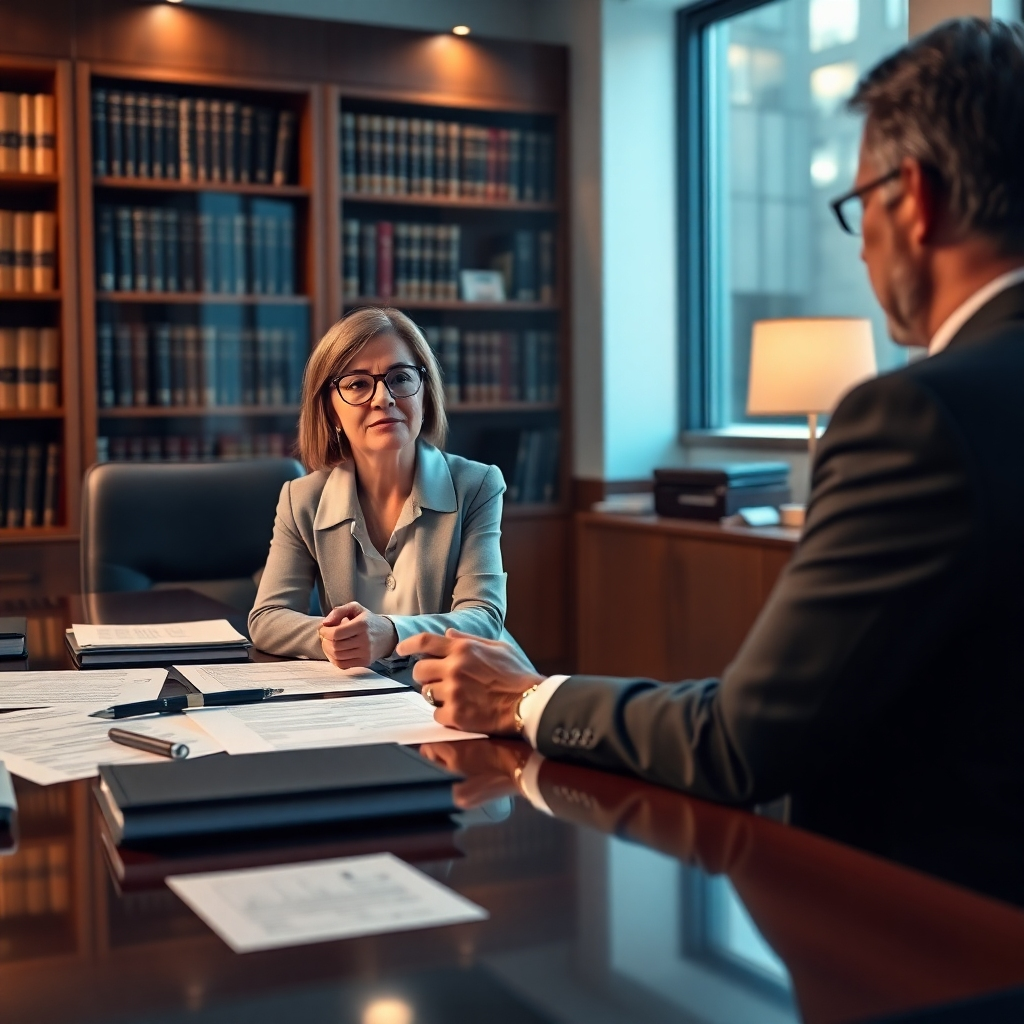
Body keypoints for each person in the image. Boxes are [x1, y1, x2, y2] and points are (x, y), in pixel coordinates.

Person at [397, 18, 1024, 898]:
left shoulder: (917, 419)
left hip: (931, 939)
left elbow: (742, 741)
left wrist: (524, 698)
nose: (863, 245)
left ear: (913, 199)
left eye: (861, 208)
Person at [249, 306, 518, 669]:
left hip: (464, 691)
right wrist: (335, 639)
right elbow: (267, 618)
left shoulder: (476, 485)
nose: (383, 398)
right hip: (363, 701)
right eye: (358, 383)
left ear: (424, 392)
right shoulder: (303, 499)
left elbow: (484, 618)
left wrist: (392, 633)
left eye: (401, 378)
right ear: (330, 411)